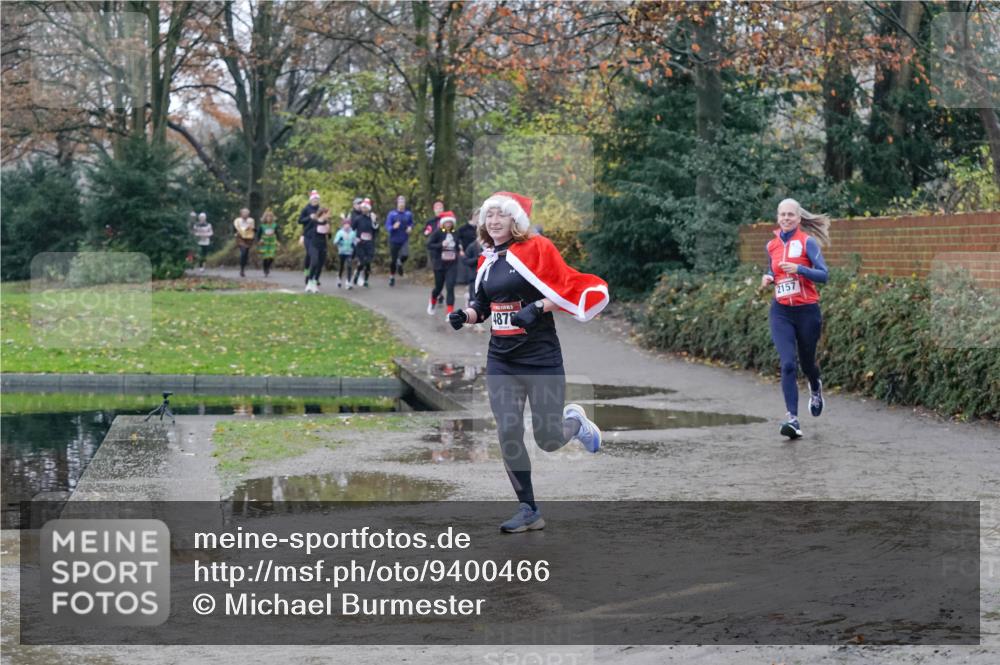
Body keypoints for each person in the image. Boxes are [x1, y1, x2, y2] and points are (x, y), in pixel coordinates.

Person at [448, 191, 609, 533]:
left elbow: (566, 287)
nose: (493, 222)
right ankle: (528, 509)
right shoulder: (487, 258)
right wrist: (467, 315)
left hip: (540, 358)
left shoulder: (538, 247)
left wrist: (537, 308)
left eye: (500, 216)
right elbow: (484, 304)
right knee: (508, 430)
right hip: (501, 360)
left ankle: (576, 424)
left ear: (515, 220)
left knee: (548, 439)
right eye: (488, 216)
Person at [760, 198, 831, 439]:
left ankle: (815, 385)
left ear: (799, 218)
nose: (786, 218)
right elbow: (773, 269)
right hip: (781, 311)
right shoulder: (771, 245)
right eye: (782, 215)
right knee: (788, 363)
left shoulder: (807, 242)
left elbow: (824, 275)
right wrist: (768, 277)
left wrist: (799, 269)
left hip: (807, 311)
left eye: (791, 215)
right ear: (778, 217)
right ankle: (792, 418)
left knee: (807, 363)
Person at [426, 211, 460, 316]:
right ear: (443, 223)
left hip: (452, 264)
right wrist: (441, 244)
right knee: (439, 288)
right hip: (439, 264)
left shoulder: (455, 232)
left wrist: (459, 250)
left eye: (450, 222)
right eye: (447, 223)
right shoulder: (438, 232)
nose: (449, 224)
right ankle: (432, 301)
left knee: (450, 287)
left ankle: (449, 313)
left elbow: (458, 245)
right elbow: (429, 245)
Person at [301, 204, 332, 293]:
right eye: (328, 214)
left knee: (320, 265)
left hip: (323, 246)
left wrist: (329, 231)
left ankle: (315, 282)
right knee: (314, 262)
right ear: (323, 214)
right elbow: (306, 230)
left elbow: (329, 236)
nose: (329, 216)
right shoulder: (314, 222)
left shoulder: (327, 223)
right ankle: (309, 282)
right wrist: (302, 237)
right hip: (313, 245)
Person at [386, 195, 414, 287]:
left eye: (403, 202)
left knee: (405, 255)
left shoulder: (408, 214)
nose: (401, 204)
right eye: (400, 202)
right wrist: (393, 227)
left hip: (404, 239)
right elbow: (387, 226)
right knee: (393, 261)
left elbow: (411, 223)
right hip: (394, 239)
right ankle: (392, 277)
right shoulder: (392, 214)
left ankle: (400, 262)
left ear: (405, 203)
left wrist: (410, 228)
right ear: (397, 203)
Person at [351, 197, 379, 287]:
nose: (364, 209)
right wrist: (355, 239)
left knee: (368, 263)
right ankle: (357, 273)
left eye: (366, 208)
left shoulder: (372, 218)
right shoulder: (358, 219)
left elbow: (376, 230)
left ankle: (366, 280)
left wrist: (374, 221)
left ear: (369, 209)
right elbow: (352, 230)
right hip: (360, 243)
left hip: (369, 243)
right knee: (362, 261)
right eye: (363, 208)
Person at [298, 191, 323, 282]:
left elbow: (324, 220)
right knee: (310, 255)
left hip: (318, 236)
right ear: (311, 200)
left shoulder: (320, 209)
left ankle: (314, 277)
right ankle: (307, 272)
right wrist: (309, 217)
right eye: (314, 199)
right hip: (307, 235)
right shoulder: (306, 209)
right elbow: (300, 221)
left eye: (317, 199)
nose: (315, 200)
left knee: (317, 257)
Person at [333, 218, 356, 289]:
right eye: (345, 224)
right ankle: (339, 278)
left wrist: (354, 244)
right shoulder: (340, 232)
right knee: (341, 266)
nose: (347, 226)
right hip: (342, 252)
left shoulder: (353, 233)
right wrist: (339, 241)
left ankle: (348, 282)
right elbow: (335, 242)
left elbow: (355, 241)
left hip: (349, 252)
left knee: (349, 265)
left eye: (348, 224)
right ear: (343, 225)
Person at [233, 207, 255, 277]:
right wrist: (235, 233)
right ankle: (242, 269)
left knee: (246, 254)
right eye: (244, 213)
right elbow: (234, 228)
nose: (245, 214)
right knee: (243, 252)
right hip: (240, 238)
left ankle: (243, 267)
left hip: (248, 238)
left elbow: (253, 229)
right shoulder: (237, 220)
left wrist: (253, 231)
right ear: (241, 214)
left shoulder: (251, 220)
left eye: (247, 213)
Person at [258, 209, 278, 277]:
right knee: (265, 257)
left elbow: (277, 234)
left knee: (271, 257)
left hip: (272, 242)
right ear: (265, 218)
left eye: (270, 217)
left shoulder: (275, 225)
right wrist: (260, 240)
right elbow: (258, 234)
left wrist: (278, 241)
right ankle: (265, 269)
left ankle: (268, 267)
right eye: (267, 217)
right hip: (265, 242)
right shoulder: (262, 226)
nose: (269, 218)